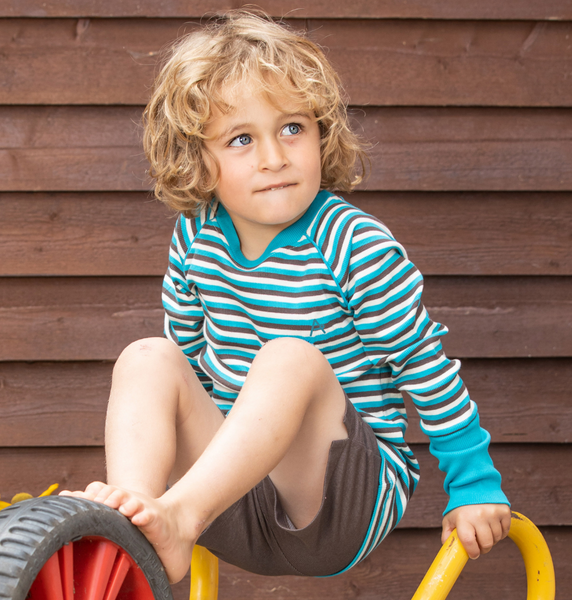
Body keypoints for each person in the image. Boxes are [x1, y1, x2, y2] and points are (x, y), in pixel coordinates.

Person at [62, 10, 511, 584]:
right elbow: (190, 369)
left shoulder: (353, 243)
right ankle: (139, 524)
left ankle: (175, 517)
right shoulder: (196, 236)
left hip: (340, 506)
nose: (274, 156)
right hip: (229, 502)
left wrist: (474, 485)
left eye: (293, 128)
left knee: (287, 357)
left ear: (323, 132)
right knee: (148, 358)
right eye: (242, 138)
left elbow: (426, 367)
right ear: (199, 159)